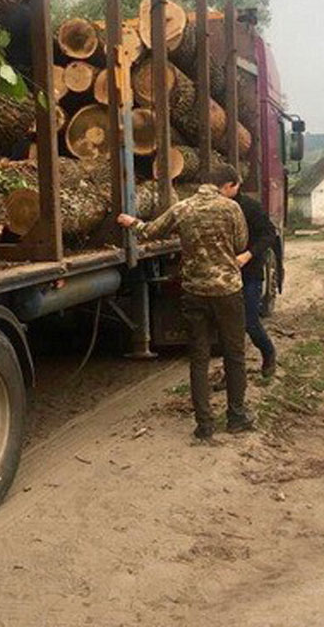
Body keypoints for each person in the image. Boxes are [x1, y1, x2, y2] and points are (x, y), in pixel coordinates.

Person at [116, 164, 253, 441]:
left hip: (194, 292)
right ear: (226, 185)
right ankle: (236, 417)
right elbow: (241, 243)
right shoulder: (231, 209)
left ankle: (204, 425)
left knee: (199, 359)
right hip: (227, 291)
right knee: (234, 355)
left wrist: (132, 223)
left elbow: (152, 231)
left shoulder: (184, 208)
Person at [233, 188, 280, 379]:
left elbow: (269, 234)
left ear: (233, 186)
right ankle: (232, 373)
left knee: (250, 322)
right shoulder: (220, 209)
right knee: (230, 328)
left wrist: (248, 255)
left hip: (250, 274)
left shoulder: (250, 207)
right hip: (227, 277)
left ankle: (268, 353)